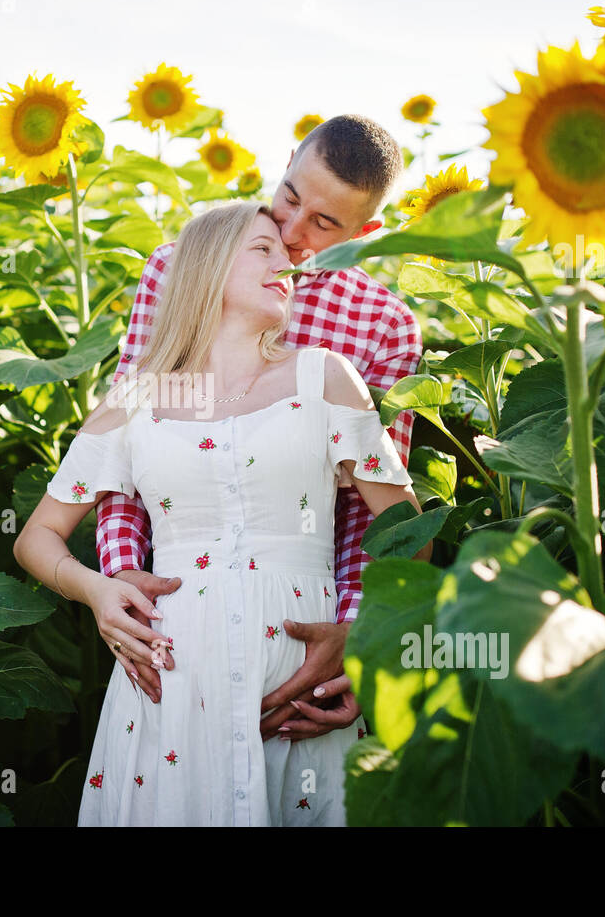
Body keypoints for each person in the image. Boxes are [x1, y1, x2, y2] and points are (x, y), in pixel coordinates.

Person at [14, 202, 430, 826]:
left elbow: (410, 535)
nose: (285, 263)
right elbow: (37, 536)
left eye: (285, 257)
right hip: (173, 681)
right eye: (262, 249)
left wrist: (364, 642)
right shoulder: (141, 396)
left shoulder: (323, 377)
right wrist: (98, 592)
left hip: (297, 686)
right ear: (205, 268)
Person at [97, 115, 421, 744]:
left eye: (325, 225)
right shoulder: (179, 267)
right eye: (291, 198)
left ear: (367, 231)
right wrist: (121, 576)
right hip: (173, 613)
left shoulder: (384, 325)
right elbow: (128, 446)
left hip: (301, 627)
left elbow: (370, 512)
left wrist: (357, 634)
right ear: (287, 161)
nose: (294, 233)